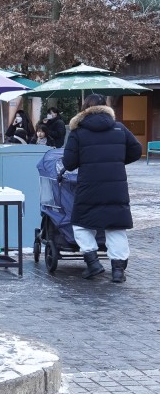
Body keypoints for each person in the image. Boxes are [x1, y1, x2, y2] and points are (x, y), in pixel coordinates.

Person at [62, 93, 142, 283]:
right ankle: (118, 272)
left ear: (84, 109)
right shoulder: (119, 128)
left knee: (81, 225)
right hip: (116, 186)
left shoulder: (78, 132)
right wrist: (117, 161)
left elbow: (69, 163)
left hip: (89, 186)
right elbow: (137, 151)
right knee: (116, 227)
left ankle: (93, 264)